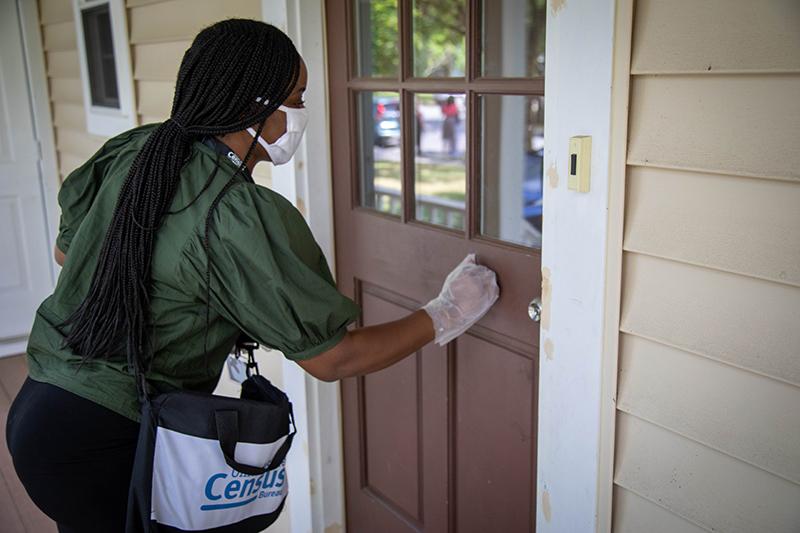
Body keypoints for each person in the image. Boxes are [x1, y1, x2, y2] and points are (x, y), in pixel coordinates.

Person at [4, 19, 499, 533]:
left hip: (40, 404)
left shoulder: (138, 150)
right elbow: (334, 357)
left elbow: (69, 254)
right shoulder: (234, 212)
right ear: (258, 106)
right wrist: (445, 313)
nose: (303, 113)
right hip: (107, 437)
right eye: (299, 97)